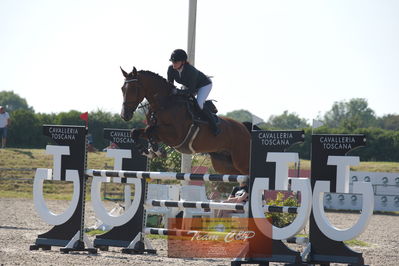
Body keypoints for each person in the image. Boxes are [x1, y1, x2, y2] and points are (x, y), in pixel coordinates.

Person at [167, 49, 220, 135]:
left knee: (199, 104)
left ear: (183, 62)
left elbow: (191, 91)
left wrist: (178, 91)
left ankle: (214, 126)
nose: (174, 63)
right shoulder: (171, 69)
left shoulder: (191, 71)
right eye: (173, 61)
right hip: (190, 86)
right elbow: (169, 85)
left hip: (204, 85)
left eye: (176, 61)